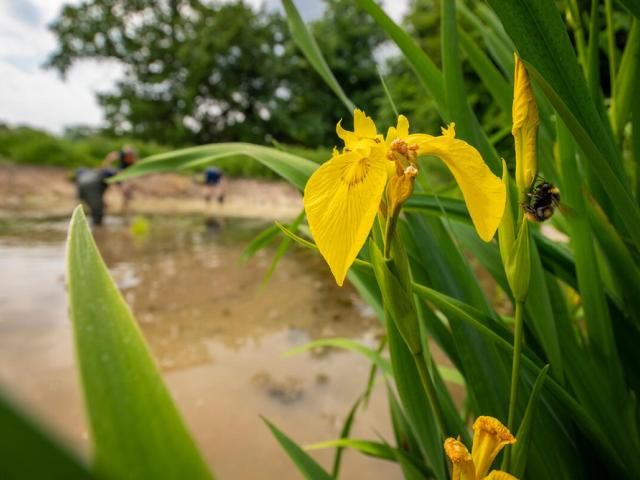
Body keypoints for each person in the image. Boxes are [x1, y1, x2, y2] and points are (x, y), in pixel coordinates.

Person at [102, 145, 138, 214]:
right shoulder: (120, 155)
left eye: (130, 155)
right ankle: (106, 204)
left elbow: (136, 165)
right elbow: (109, 159)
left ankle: (124, 209)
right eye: (127, 155)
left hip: (127, 174)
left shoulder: (133, 158)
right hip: (119, 174)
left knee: (127, 191)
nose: (129, 157)